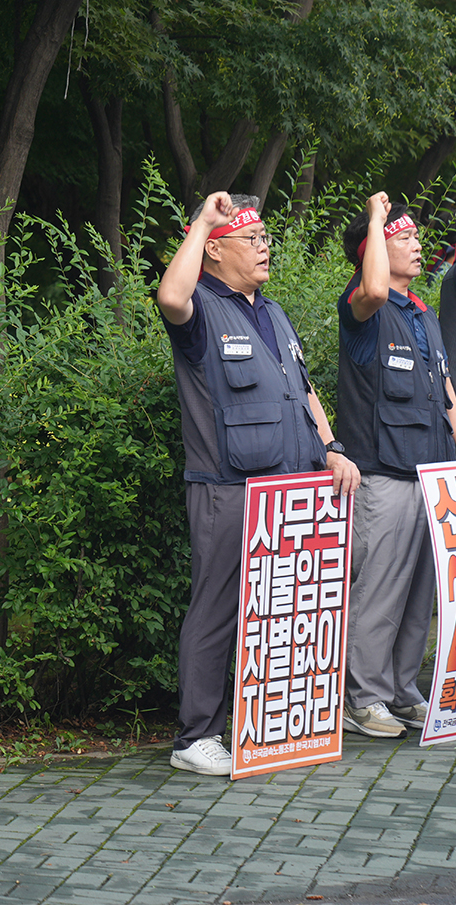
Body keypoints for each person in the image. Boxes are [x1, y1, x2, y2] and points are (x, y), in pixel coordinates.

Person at [155, 192, 358, 776]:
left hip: (291, 490)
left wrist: (332, 448)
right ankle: (196, 737)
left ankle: (273, 726)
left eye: (266, 238)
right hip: (229, 489)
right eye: (251, 239)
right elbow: (169, 297)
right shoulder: (199, 310)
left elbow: (304, 390)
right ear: (215, 251)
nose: (265, 247)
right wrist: (202, 222)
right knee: (216, 609)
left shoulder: (273, 312)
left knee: (284, 609)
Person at [335, 194, 456, 738]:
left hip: (431, 474)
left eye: (413, 236)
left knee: (418, 595)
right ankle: (362, 699)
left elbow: (444, 387)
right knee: (379, 591)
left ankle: (401, 690)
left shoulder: (422, 314)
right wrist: (375, 219)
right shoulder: (364, 305)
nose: (416, 243)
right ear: (372, 250)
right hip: (383, 474)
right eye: (401, 237)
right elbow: (373, 289)